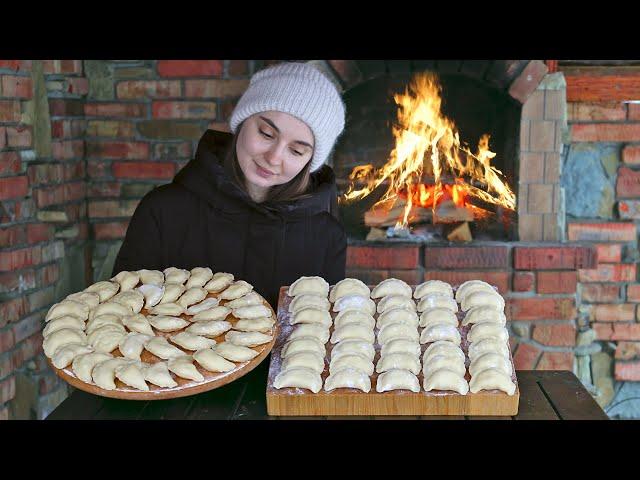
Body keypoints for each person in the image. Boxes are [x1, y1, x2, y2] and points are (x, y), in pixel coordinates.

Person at [111, 61, 347, 311]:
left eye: (297, 150)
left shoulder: (326, 236)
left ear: (310, 161)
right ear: (242, 122)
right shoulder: (163, 210)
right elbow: (122, 312)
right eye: (266, 133)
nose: (274, 157)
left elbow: (321, 336)